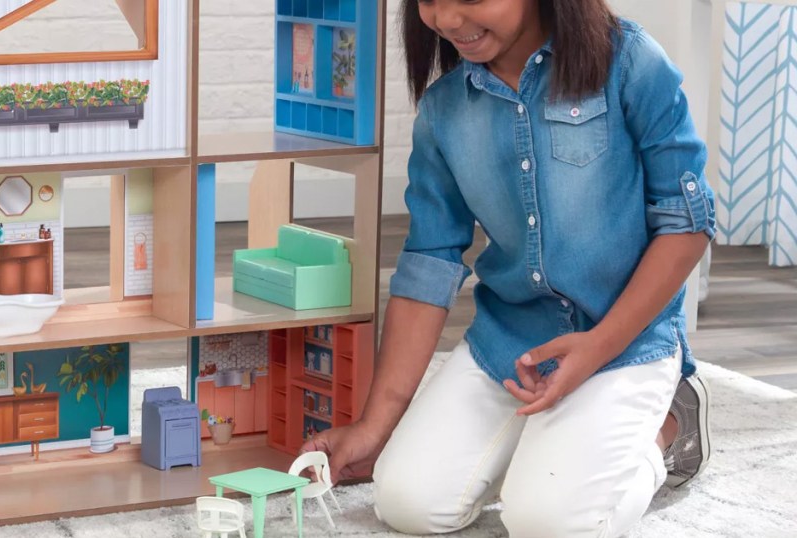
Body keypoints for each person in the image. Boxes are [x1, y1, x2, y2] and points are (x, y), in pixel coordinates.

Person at [300, 0, 714, 536]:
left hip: (623, 342)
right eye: (429, 0)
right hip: (509, 344)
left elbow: (686, 223)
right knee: (406, 502)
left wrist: (598, 346)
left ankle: (669, 429)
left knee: (549, 524)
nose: (447, 21)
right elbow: (429, 261)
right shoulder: (444, 110)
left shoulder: (631, 63)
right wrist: (373, 428)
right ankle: (547, 449)